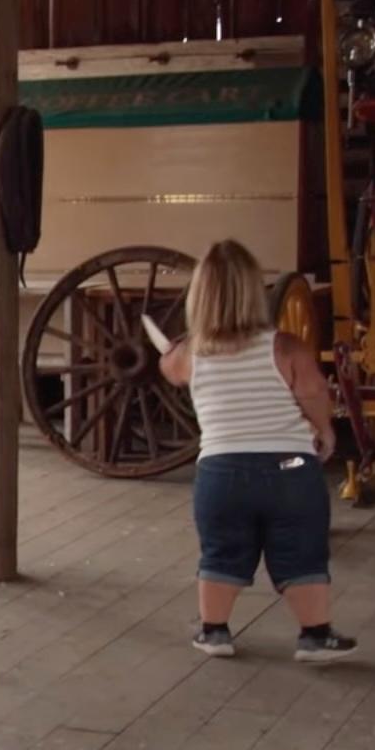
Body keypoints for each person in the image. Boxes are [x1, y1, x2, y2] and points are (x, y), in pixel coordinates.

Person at [156, 240, 359, 663]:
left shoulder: (190, 353)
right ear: (254, 291)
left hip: (221, 472)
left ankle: (214, 632)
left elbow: (169, 370)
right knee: (301, 547)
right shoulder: (285, 346)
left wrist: (176, 349)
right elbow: (314, 391)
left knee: (222, 550)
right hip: (289, 468)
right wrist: (324, 431)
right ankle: (315, 635)